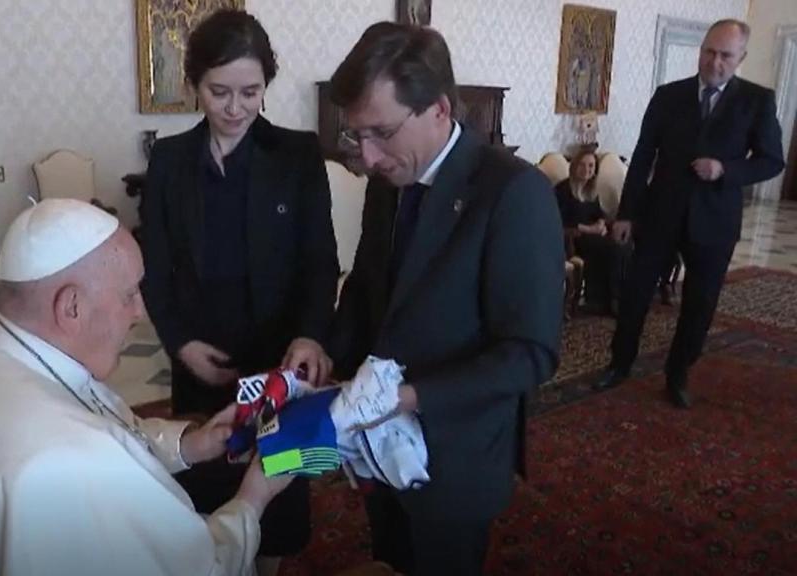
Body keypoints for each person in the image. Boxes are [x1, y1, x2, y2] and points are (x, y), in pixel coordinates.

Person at [0, 199, 292, 576]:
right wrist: (254, 497)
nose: (140, 313)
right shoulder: (75, 454)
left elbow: (106, 423)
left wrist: (190, 445)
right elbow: (202, 568)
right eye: (129, 295)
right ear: (71, 307)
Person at [327, 22, 564, 575]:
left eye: (380, 132)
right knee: (390, 560)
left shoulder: (512, 193)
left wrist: (409, 396)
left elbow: (532, 353)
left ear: (437, 108)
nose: (366, 155)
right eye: (354, 135)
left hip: (457, 457)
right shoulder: (387, 182)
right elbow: (367, 292)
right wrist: (323, 352)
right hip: (381, 447)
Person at [139, 9, 339, 573]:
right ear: (194, 85)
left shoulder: (297, 155)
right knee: (207, 484)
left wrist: (309, 335)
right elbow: (154, 268)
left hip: (283, 361)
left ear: (266, 87)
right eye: (218, 91)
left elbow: (320, 262)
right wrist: (180, 344)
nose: (234, 108)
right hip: (204, 361)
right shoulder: (171, 161)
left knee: (281, 497)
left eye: (250, 92)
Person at [595, 19, 785, 408]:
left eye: (725, 56)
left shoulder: (757, 101)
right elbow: (644, 154)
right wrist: (627, 214)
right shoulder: (669, 95)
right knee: (634, 295)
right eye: (709, 51)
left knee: (699, 305)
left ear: (741, 58)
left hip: (714, 221)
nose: (714, 62)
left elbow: (771, 161)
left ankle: (677, 373)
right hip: (659, 214)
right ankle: (619, 363)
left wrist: (726, 171)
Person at [555, 150, 628, 316]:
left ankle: (618, 296)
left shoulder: (591, 190)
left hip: (593, 235)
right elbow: (558, 220)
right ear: (574, 166)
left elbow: (599, 214)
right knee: (614, 247)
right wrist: (589, 229)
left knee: (624, 243)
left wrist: (601, 223)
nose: (587, 169)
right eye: (582, 165)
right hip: (575, 238)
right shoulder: (563, 189)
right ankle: (613, 299)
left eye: (591, 166)